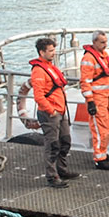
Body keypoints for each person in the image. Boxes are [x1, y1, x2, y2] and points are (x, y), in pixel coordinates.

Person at [28, 38, 79, 188]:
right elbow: (38, 96)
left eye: (53, 50)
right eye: (50, 51)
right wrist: (51, 111)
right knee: (52, 145)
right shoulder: (38, 71)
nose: (53, 53)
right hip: (50, 113)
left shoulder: (49, 66)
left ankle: (61, 169)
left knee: (65, 141)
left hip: (60, 110)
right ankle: (52, 176)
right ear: (41, 52)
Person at [79, 31, 109, 170]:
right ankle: (99, 159)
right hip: (97, 99)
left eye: (106, 42)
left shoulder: (102, 55)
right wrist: (90, 101)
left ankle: (103, 153)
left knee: (106, 128)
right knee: (100, 130)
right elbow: (85, 82)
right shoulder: (89, 58)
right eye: (102, 42)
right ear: (94, 42)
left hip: (104, 97)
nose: (105, 45)